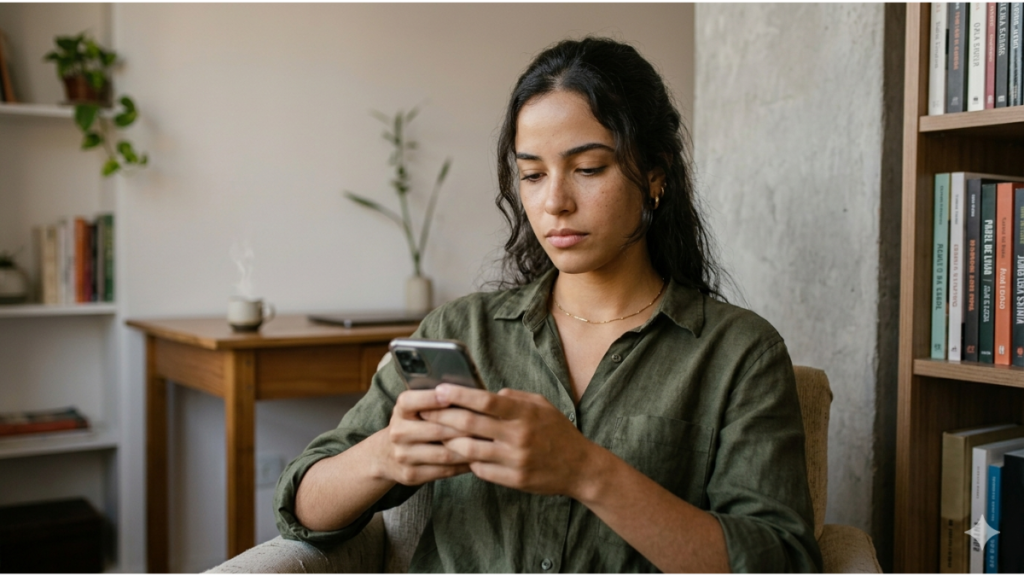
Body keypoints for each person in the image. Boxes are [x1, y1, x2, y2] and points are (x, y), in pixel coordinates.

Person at [274, 37, 823, 573]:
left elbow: (782, 562)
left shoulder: (738, 353)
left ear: (656, 175)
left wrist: (588, 471)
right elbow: (302, 508)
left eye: (588, 169)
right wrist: (387, 454)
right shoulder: (462, 329)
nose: (554, 202)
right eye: (533, 175)